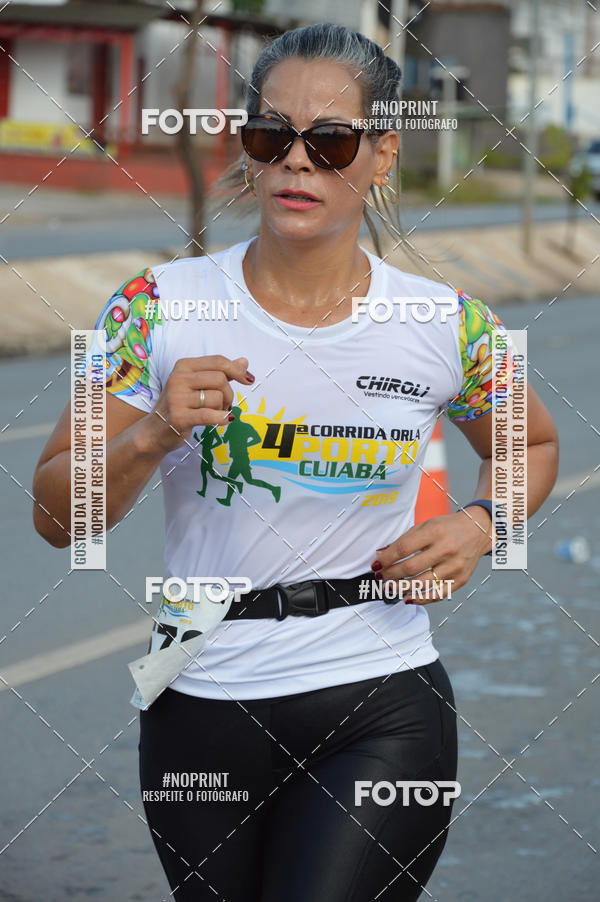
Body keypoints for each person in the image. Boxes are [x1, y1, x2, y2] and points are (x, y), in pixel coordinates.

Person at [32, 23, 559, 902]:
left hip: (381, 698)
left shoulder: (450, 324)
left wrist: (482, 523)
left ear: (383, 154)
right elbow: (57, 517)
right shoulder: (152, 308)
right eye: (272, 136)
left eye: (332, 141)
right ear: (249, 149)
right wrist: (150, 434)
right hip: (197, 696)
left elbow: (534, 446)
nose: (298, 163)